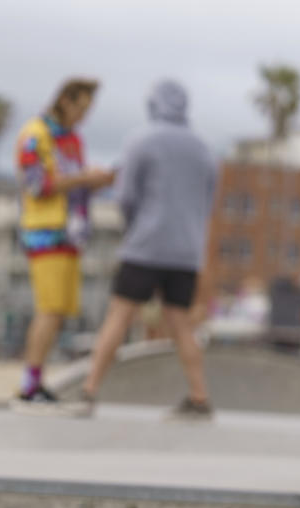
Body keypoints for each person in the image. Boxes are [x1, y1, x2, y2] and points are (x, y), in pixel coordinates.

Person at [79, 79, 218, 416]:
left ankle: (89, 391)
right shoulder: (204, 148)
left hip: (145, 246)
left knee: (119, 316)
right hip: (185, 251)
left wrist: (136, 225)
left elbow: (125, 196)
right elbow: (208, 201)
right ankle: (199, 398)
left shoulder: (141, 139)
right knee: (181, 324)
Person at [15, 78, 115, 402]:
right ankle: (29, 384)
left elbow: (71, 185)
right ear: (66, 101)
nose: (85, 115)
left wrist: (97, 182)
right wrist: (85, 177)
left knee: (58, 311)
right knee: (50, 307)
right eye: (82, 107)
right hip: (46, 233)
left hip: (71, 233)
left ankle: (36, 379)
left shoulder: (73, 140)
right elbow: (36, 185)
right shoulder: (35, 133)